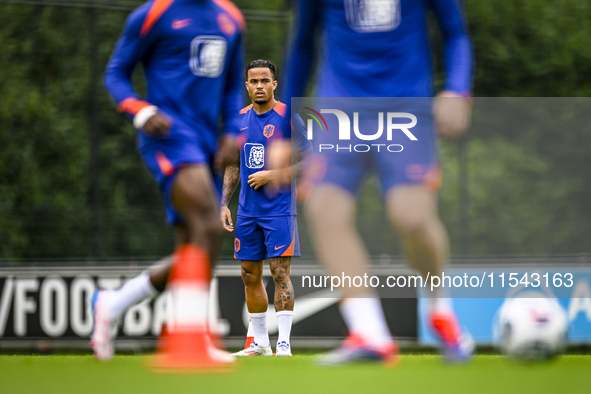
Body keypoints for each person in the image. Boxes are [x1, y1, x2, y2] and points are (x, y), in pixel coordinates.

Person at [276, 0, 475, 364]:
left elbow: (456, 32)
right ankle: (370, 333)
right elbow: (301, 45)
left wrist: (458, 90)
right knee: (323, 210)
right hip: (339, 110)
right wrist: (283, 132)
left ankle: (440, 308)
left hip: (406, 109)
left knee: (411, 217)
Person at [90, 0, 246, 362]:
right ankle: (193, 337)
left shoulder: (232, 17)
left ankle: (112, 304)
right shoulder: (154, 13)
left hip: (208, 143)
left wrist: (234, 133)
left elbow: (232, 87)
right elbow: (115, 74)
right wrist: (141, 111)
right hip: (168, 136)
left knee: (191, 249)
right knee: (209, 224)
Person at [220, 60, 311, 357]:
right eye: (253, 81)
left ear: (274, 84)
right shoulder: (239, 120)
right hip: (248, 212)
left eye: (265, 81)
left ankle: (283, 343)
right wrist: (224, 203)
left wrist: (272, 175)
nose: (259, 86)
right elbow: (233, 164)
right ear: (246, 86)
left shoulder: (288, 118)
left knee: (279, 272)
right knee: (249, 274)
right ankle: (260, 343)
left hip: (279, 210)